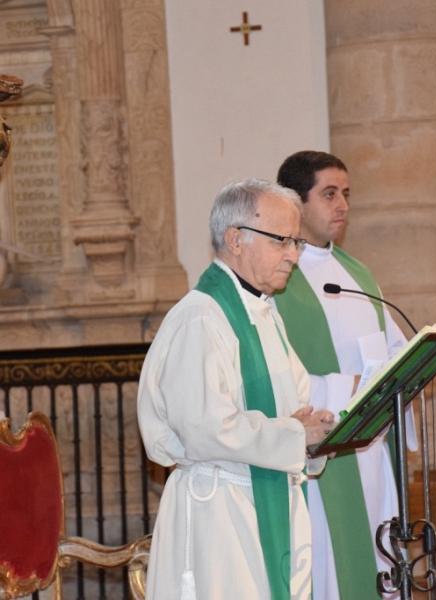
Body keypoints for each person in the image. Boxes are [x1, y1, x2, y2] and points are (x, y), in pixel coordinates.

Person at [137, 178, 335, 600]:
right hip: (220, 512)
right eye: (283, 240)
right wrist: (296, 434)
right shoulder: (201, 318)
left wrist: (310, 431)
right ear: (235, 239)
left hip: (266, 499)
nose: (294, 256)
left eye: (297, 243)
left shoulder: (265, 315)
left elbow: (295, 406)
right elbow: (205, 428)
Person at [274, 151, 418, 600]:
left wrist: (406, 375)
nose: (343, 206)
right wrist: (348, 390)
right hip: (325, 461)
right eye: (330, 194)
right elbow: (283, 378)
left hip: (372, 452)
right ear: (294, 203)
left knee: (379, 566)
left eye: (346, 194)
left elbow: (396, 351)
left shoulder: (357, 273)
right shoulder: (279, 281)